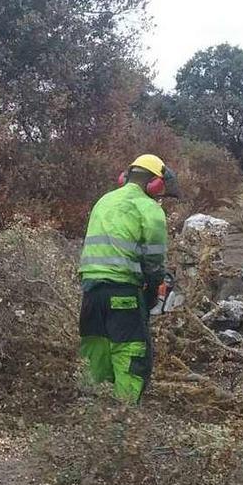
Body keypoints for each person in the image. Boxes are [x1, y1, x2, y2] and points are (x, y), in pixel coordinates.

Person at [77, 154, 178, 404]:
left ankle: (93, 412)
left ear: (125, 178)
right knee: (132, 354)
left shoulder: (104, 201)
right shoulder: (149, 209)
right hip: (122, 294)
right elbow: (154, 261)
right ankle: (124, 417)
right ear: (155, 184)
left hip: (91, 292)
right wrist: (154, 287)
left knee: (96, 351)